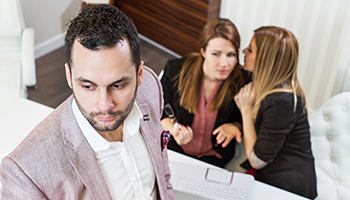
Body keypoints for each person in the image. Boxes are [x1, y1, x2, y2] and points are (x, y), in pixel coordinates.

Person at [0, 5, 173, 200]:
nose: (104, 105)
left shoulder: (150, 88)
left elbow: (163, 175)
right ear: (69, 76)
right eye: (88, 86)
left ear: (139, 74)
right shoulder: (25, 175)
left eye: (117, 85)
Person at [234, 26, 317, 199]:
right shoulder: (269, 83)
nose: (244, 51)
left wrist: (246, 110)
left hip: (287, 188)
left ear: (265, 60)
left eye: (250, 50)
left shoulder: (281, 102)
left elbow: (256, 160)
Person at [161, 18, 249, 168]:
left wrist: (235, 126)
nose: (224, 63)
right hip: (176, 150)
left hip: (215, 157)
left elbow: (248, 118)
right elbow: (159, 112)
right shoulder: (176, 71)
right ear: (203, 52)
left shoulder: (242, 80)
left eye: (231, 55)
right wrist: (175, 131)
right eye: (216, 54)